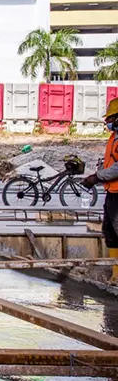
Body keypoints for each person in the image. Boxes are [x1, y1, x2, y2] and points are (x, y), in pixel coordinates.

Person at [79, 98, 118, 280]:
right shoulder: (114, 138)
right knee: (110, 233)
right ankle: (116, 276)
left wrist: (97, 177)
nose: (107, 123)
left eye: (110, 119)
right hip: (112, 192)